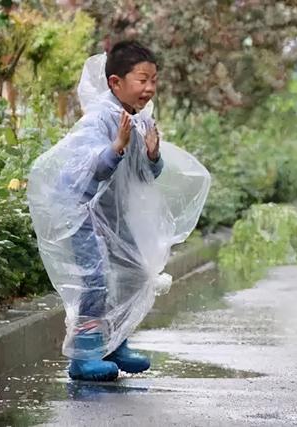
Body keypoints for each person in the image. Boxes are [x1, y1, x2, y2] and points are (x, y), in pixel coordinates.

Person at [26, 41, 210, 382]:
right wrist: (115, 148)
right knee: (95, 281)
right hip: (79, 212)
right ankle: (84, 356)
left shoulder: (138, 119)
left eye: (154, 79)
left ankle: (114, 342)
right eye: (142, 79)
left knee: (132, 272)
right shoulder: (99, 118)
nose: (150, 88)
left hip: (111, 215)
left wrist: (153, 155)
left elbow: (143, 175)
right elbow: (84, 170)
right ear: (115, 82)